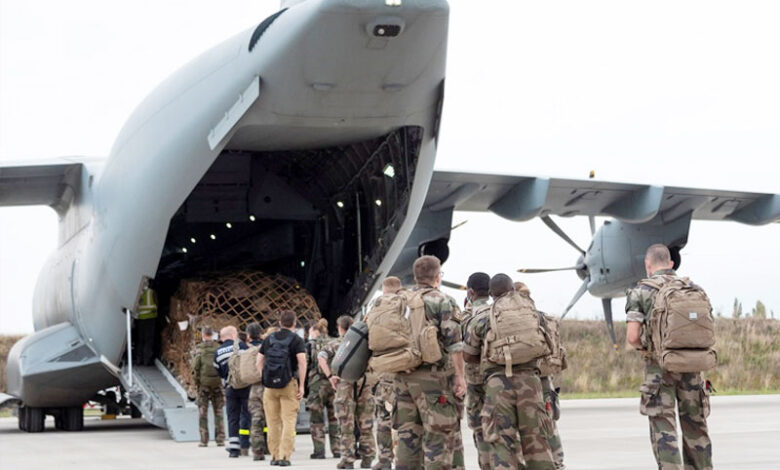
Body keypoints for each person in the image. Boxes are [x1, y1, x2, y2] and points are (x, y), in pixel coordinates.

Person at [625, 244, 713, 470]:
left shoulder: (641, 291)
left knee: (664, 428)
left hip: (660, 370)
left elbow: (633, 336)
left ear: (648, 265)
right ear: (671, 263)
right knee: (696, 426)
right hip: (692, 366)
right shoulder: (693, 288)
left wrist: (646, 349)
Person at [463, 274, 555, 470]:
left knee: (502, 442)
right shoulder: (534, 313)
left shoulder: (482, 317)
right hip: (531, 382)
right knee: (537, 440)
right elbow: (548, 345)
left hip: (498, 385)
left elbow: (468, 355)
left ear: (491, 294)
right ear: (513, 289)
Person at [393, 255, 467, 470]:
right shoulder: (442, 300)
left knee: (407, 438)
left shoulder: (399, 300)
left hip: (402, 377)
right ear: (437, 276)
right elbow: (455, 344)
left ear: (415, 276)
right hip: (433, 379)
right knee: (438, 439)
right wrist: (460, 377)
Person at [516, 282, 566, 470]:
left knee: (527, 427)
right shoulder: (546, 318)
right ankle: (558, 462)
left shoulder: (521, 321)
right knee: (549, 425)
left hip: (527, 380)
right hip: (547, 381)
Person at [319, 315, 376, 469]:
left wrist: (330, 376)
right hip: (365, 386)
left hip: (344, 387)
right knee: (366, 424)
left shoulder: (337, 344)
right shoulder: (365, 343)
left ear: (340, 328)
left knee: (346, 425)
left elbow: (321, 357)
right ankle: (367, 458)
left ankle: (348, 459)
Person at [256, 310, 307, 467]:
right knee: (288, 421)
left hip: (270, 387)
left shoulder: (269, 339)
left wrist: (265, 377)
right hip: (288, 384)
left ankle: (274, 455)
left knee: (272, 422)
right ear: (294, 323)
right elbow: (302, 362)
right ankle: (284, 457)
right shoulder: (297, 340)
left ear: (279, 323)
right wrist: (301, 385)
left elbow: (259, 361)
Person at [367, 276, 404, 470]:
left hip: (381, 373)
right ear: (400, 288)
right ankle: (404, 459)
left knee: (382, 418)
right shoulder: (406, 305)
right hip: (404, 370)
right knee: (405, 419)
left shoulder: (374, 308)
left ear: (383, 289)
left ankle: (384, 459)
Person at [461, 272, 492, 470]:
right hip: (500, 378)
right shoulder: (498, 312)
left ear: (471, 292)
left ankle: (486, 465)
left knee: (480, 428)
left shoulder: (467, 316)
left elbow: (462, 349)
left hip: (475, 382)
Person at [214, 325, 251, 458]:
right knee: (246, 414)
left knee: (232, 417)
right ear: (232, 335)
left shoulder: (218, 352)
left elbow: (218, 371)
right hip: (246, 386)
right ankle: (246, 443)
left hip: (230, 388)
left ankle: (234, 448)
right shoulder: (243, 347)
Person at [306, 318, 340, 459]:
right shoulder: (335, 343)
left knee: (316, 419)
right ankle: (337, 449)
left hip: (316, 386)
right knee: (335, 418)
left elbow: (306, 365)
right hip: (334, 384)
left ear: (315, 331)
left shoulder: (310, 345)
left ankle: (319, 451)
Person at [191, 326, 225, 447]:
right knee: (219, 412)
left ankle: (204, 440)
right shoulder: (219, 348)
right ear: (213, 334)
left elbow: (195, 368)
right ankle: (220, 439)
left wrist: (197, 383)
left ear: (203, 335)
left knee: (202, 413)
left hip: (204, 385)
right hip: (217, 384)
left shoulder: (199, 349)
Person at [246, 322, 267, 461]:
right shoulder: (267, 346)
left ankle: (257, 451)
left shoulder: (245, 349)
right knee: (272, 419)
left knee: (256, 419)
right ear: (261, 333)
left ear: (248, 335)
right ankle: (271, 448)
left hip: (254, 388)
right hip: (269, 386)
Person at [135, 283, 158, 365]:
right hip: (150, 318)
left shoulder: (138, 292)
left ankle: (138, 359)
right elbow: (156, 303)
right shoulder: (152, 292)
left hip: (140, 318)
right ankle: (146, 360)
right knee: (149, 339)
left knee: (140, 339)